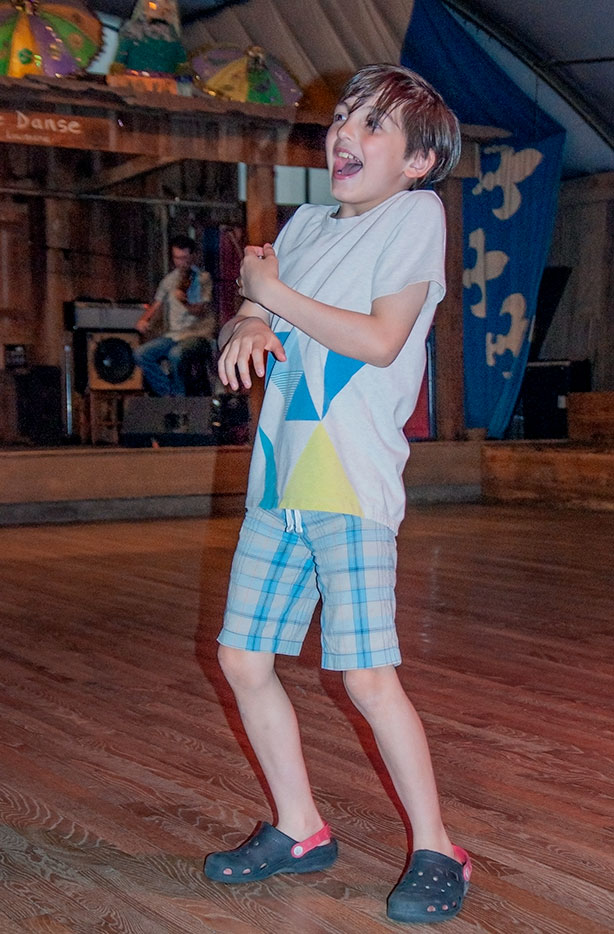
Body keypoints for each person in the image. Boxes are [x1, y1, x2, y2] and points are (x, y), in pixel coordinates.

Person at [204, 64, 472, 925]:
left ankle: (439, 847)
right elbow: (259, 309)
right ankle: (300, 827)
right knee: (244, 659)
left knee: (365, 675)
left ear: (418, 163)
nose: (347, 133)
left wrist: (268, 293)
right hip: (280, 481)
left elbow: (385, 339)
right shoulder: (308, 224)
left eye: (375, 125)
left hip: (350, 484)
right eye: (345, 117)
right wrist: (249, 318)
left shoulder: (414, 216)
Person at [134, 234, 215, 396]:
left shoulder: (202, 279)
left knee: (176, 355)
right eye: (177, 258)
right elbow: (157, 303)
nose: (181, 263)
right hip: (174, 335)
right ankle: (168, 394)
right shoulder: (169, 280)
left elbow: (200, 310)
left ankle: (181, 397)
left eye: (185, 258)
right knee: (141, 354)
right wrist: (143, 319)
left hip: (197, 334)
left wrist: (184, 302)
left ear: (193, 256)